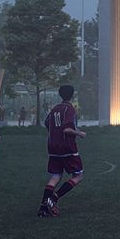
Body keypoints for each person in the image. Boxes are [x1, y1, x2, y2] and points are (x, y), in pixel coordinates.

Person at [37, 84, 87, 217]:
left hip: (53, 146)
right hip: (67, 147)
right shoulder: (69, 109)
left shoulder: (55, 109)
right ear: (72, 95)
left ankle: (43, 207)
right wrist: (79, 133)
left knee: (56, 176)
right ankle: (53, 199)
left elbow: (47, 123)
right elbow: (67, 129)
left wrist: (54, 133)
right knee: (78, 176)